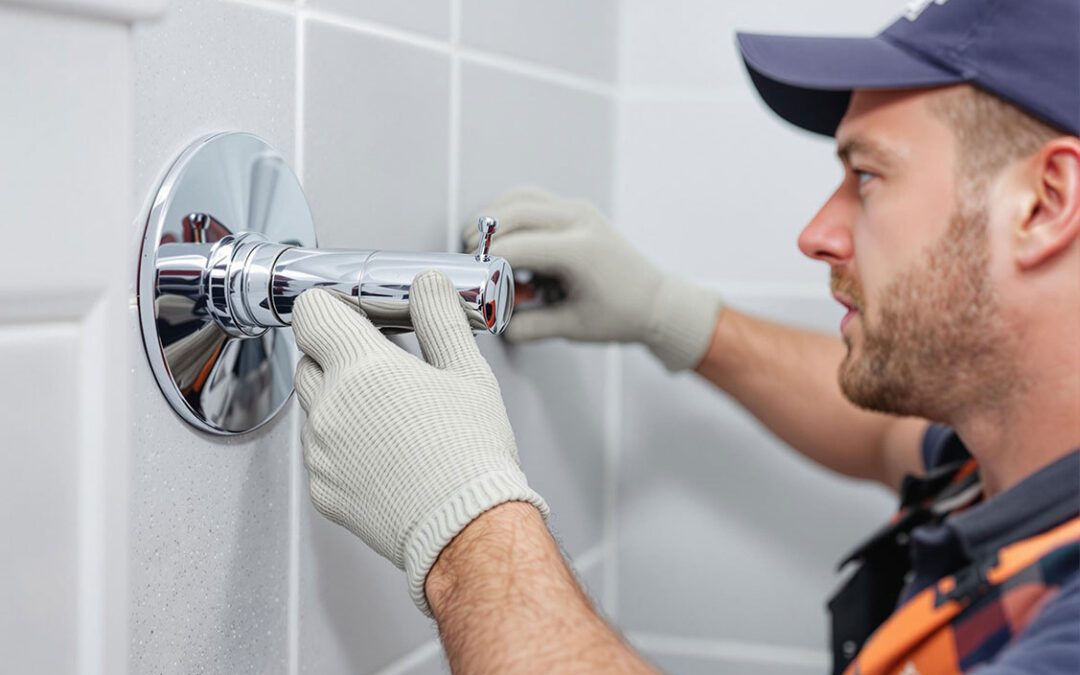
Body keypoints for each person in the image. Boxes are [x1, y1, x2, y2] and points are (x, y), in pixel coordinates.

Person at [290, 0, 1080, 672]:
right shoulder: (1015, 454)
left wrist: (465, 523)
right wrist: (668, 315)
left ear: (1045, 203)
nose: (816, 233)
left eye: (867, 176)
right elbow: (884, 434)